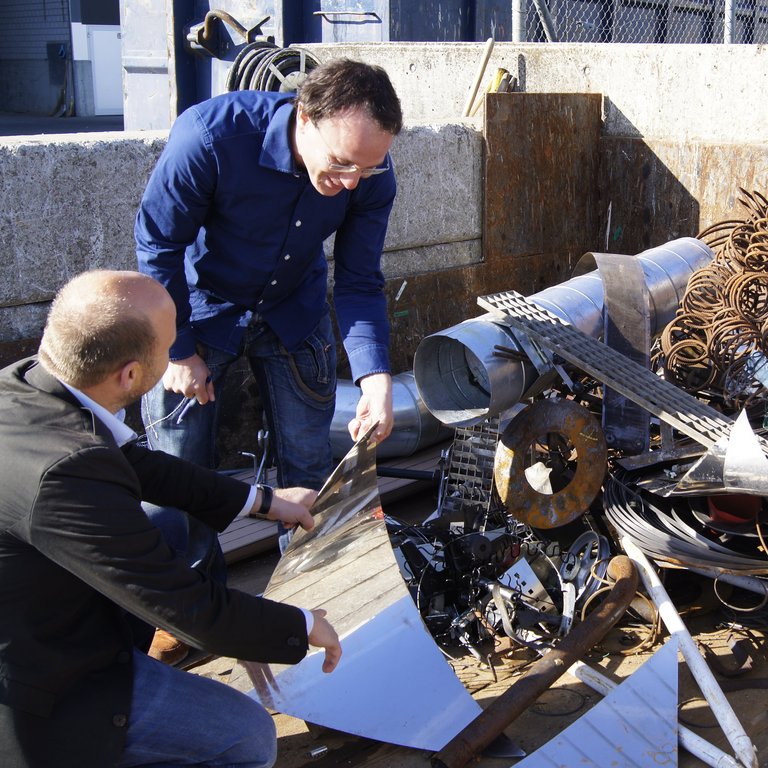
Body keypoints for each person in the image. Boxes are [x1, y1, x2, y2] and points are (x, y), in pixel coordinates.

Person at [0, 270, 341, 768]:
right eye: (171, 339)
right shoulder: (67, 475)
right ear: (133, 375)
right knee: (246, 737)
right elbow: (186, 606)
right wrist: (299, 624)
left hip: (36, 607)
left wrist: (262, 500)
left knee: (162, 528)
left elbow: (137, 465)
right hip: (43, 683)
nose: (182, 343)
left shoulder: (26, 384)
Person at [134, 58, 403, 660]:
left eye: (369, 167)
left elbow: (360, 280)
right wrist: (176, 350)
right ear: (304, 118)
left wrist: (375, 376)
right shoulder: (209, 137)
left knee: (311, 467)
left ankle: (306, 609)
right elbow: (158, 244)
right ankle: (189, 613)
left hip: (294, 313)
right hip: (201, 317)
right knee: (180, 470)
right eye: (340, 164)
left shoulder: (368, 170)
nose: (354, 181)